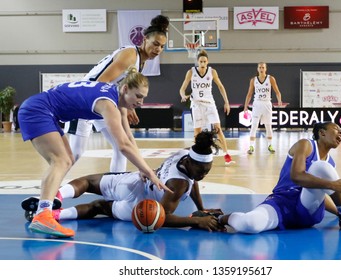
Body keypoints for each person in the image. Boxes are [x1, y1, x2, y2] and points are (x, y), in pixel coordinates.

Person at [18, 67, 171, 238]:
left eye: (143, 98)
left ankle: (45, 206)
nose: (141, 102)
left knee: (67, 159)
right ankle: (43, 214)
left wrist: (144, 169)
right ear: (125, 89)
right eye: (138, 96)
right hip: (38, 110)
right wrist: (150, 172)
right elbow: (122, 145)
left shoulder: (117, 100)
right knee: (60, 161)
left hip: (45, 111)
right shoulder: (108, 104)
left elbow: (128, 138)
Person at [21, 130, 225, 232]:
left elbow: (194, 179)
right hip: (140, 208)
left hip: (133, 183)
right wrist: (197, 219)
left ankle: (50, 204)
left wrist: (202, 207)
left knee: (87, 181)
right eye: (201, 169)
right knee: (98, 207)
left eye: (207, 170)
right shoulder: (178, 184)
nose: (203, 174)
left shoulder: (184, 156)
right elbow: (163, 218)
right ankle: (55, 214)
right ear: (190, 162)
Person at [218, 122, 341, 234]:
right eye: (336, 129)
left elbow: (319, 195)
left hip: (306, 210)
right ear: (322, 133)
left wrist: (337, 208)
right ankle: (219, 218)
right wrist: (332, 185)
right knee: (250, 224)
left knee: (322, 167)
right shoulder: (306, 145)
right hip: (282, 201)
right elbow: (297, 176)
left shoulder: (330, 163)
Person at [64, 15, 169, 172]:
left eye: (161, 46)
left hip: (101, 101)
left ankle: (115, 190)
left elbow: (120, 90)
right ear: (144, 39)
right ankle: (51, 190)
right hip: (84, 98)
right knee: (75, 154)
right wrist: (122, 109)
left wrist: (127, 108)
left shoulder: (141, 62)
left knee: (122, 147)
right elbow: (100, 83)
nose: (158, 49)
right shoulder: (130, 55)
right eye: (155, 44)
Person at [179, 49, 235, 165]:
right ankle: (196, 155)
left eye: (204, 61)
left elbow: (220, 87)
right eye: (201, 61)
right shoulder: (191, 72)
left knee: (218, 129)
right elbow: (182, 88)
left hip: (209, 104)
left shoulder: (212, 72)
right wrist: (183, 95)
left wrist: (227, 102)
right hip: (196, 104)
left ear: (208, 62)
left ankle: (226, 155)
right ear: (197, 62)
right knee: (197, 131)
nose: (203, 64)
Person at [243, 62, 282, 155]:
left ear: (265, 69)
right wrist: (245, 106)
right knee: (254, 126)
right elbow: (249, 94)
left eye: (263, 67)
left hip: (267, 103)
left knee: (268, 126)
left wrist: (279, 100)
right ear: (257, 69)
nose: (261, 69)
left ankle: (270, 145)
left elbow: (277, 91)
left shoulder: (271, 78)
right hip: (257, 104)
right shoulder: (253, 80)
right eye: (260, 67)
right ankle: (251, 146)